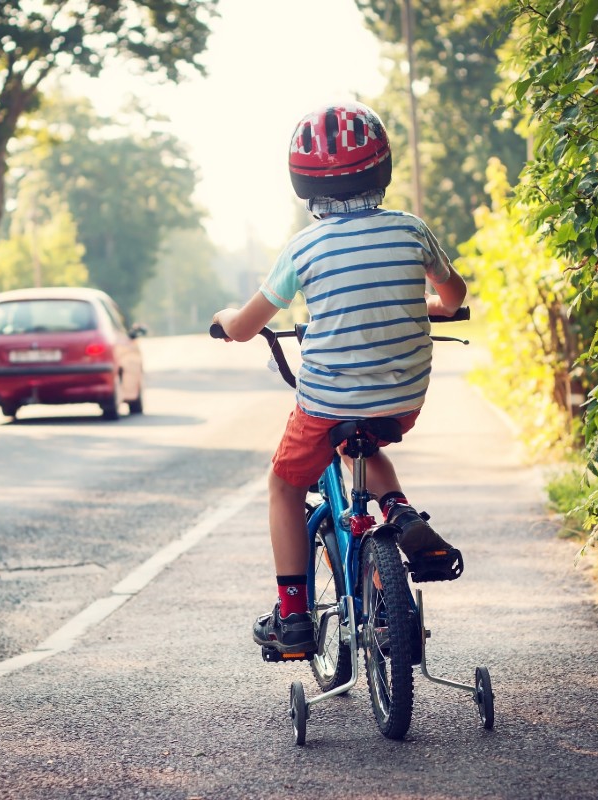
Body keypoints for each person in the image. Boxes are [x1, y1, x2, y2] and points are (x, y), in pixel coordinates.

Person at [212, 102, 467, 656]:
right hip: (402, 399)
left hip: (327, 402)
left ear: (302, 182)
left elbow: (248, 325)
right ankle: (398, 510)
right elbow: (454, 296)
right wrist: (432, 306)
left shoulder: (304, 248)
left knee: (284, 484)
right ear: (383, 167)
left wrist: (229, 322)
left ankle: (295, 618)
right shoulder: (411, 230)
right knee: (365, 439)